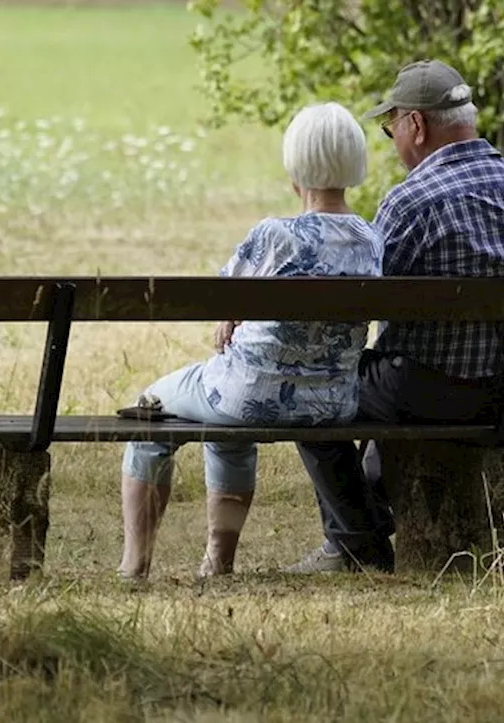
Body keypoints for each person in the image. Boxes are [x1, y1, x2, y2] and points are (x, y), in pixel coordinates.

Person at [285, 59, 504, 574]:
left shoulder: (411, 201)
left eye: (391, 130)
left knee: (311, 386)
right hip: (502, 393)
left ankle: (356, 544)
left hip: (422, 392)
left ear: (416, 125)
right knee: (388, 373)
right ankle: (371, 520)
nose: (393, 142)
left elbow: (363, 302)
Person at [118, 102, 383, 580]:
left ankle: (134, 565)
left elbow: (223, 297)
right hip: (332, 404)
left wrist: (230, 317)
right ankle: (217, 562)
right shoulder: (371, 239)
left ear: (295, 166)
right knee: (226, 423)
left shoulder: (275, 235)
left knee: (150, 409)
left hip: (249, 396)